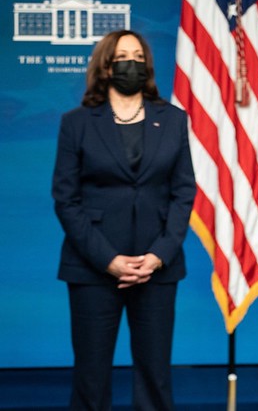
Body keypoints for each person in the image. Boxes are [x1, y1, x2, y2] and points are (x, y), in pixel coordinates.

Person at [52, 29, 196, 410]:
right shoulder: (76, 123)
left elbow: (184, 193)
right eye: (121, 57)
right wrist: (109, 260)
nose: (130, 63)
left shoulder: (175, 120)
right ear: (106, 65)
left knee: (155, 373)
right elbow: (66, 199)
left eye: (138, 56)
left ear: (147, 65)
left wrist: (160, 253)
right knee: (91, 375)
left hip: (157, 268)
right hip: (92, 267)